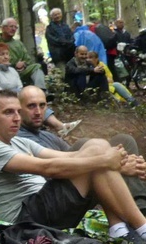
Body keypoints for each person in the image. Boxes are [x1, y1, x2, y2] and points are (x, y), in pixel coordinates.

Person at [0, 89, 146, 244]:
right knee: (97, 151)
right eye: (8, 112)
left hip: (45, 207)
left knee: (96, 145)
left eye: (18, 112)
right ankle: (141, 226)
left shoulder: (19, 142)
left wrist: (114, 162)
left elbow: (69, 156)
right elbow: (48, 168)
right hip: (26, 220)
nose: (17, 118)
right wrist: (107, 161)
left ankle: (119, 230)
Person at [17, 85, 146, 220]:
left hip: (77, 178)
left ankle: (139, 209)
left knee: (124, 141)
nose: (38, 112)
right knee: (90, 144)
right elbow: (50, 171)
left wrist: (121, 160)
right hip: (58, 196)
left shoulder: (46, 135)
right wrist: (117, 166)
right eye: (31, 106)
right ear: (19, 109)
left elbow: (77, 157)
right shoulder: (19, 140)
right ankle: (141, 214)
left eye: (42, 106)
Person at [0, 46, 78, 136]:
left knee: (33, 102)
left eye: (7, 54)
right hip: (1, 101)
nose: (6, 57)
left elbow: (20, 86)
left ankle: (57, 126)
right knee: (30, 102)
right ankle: (59, 126)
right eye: (2, 54)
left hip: (16, 97)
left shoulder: (12, 70)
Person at [0, 18, 47, 91]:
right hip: (2, 72)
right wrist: (14, 64)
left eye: (15, 27)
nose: (13, 29)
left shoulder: (18, 44)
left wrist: (23, 64)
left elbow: (27, 59)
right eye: (11, 26)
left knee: (36, 67)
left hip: (20, 72)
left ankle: (41, 90)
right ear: (3, 28)